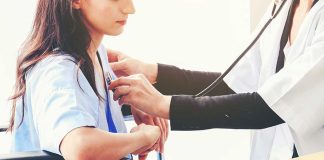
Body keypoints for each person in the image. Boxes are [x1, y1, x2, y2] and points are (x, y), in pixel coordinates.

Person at [107, 0, 324, 159]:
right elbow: (234, 85)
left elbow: (266, 108)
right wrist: (152, 74)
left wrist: (163, 105)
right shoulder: (284, 6)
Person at [8, 0, 168, 159]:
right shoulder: (58, 69)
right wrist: (143, 138)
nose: (130, 9)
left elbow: (89, 107)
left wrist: (137, 101)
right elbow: (79, 147)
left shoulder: (97, 53)